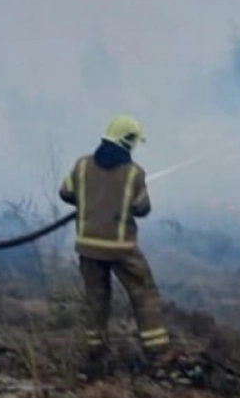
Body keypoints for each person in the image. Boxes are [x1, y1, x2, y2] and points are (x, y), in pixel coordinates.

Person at [58, 114, 182, 376]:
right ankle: (158, 353)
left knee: (96, 300)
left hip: (88, 247)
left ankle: (95, 355)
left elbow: (65, 192)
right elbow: (142, 208)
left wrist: (90, 199)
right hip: (121, 248)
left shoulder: (82, 165)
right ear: (128, 141)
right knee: (144, 293)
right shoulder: (134, 173)